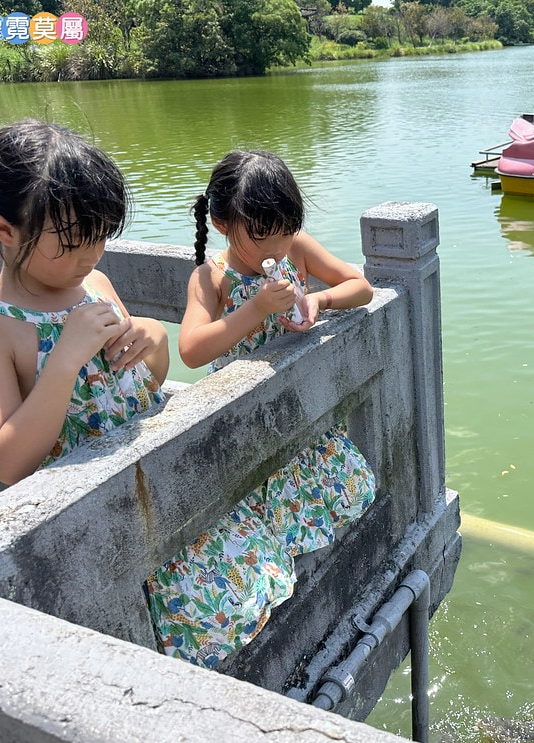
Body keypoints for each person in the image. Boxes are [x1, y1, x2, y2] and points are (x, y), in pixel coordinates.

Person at [144, 149, 376, 668]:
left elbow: (360, 286)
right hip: (243, 427)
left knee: (347, 495)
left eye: (284, 231)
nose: (275, 247)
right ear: (223, 225)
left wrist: (318, 301)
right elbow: (192, 349)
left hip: (301, 415)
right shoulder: (212, 277)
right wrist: (255, 308)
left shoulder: (297, 249)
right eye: (261, 234)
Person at [0, 119, 169, 487]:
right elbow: (8, 464)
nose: (92, 256)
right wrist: (64, 360)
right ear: (5, 230)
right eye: (72, 243)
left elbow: (138, 388)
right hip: (81, 503)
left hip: (153, 479)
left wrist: (153, 338)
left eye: (101, 236)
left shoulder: (97, 285)